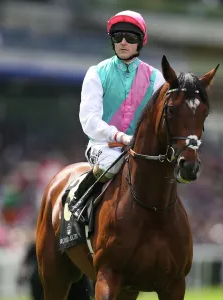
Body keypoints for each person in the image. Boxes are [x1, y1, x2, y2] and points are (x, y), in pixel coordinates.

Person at [68, 10, 165, 220]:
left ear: (140, 42)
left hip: (140, 151)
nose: (123, 42)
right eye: (117, 37)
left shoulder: (157, 79)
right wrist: (118, 136)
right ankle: (77, 204)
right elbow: (89, 120)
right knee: (111, 166)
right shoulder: (96, 73)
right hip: (104, 147)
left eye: (130, 38)